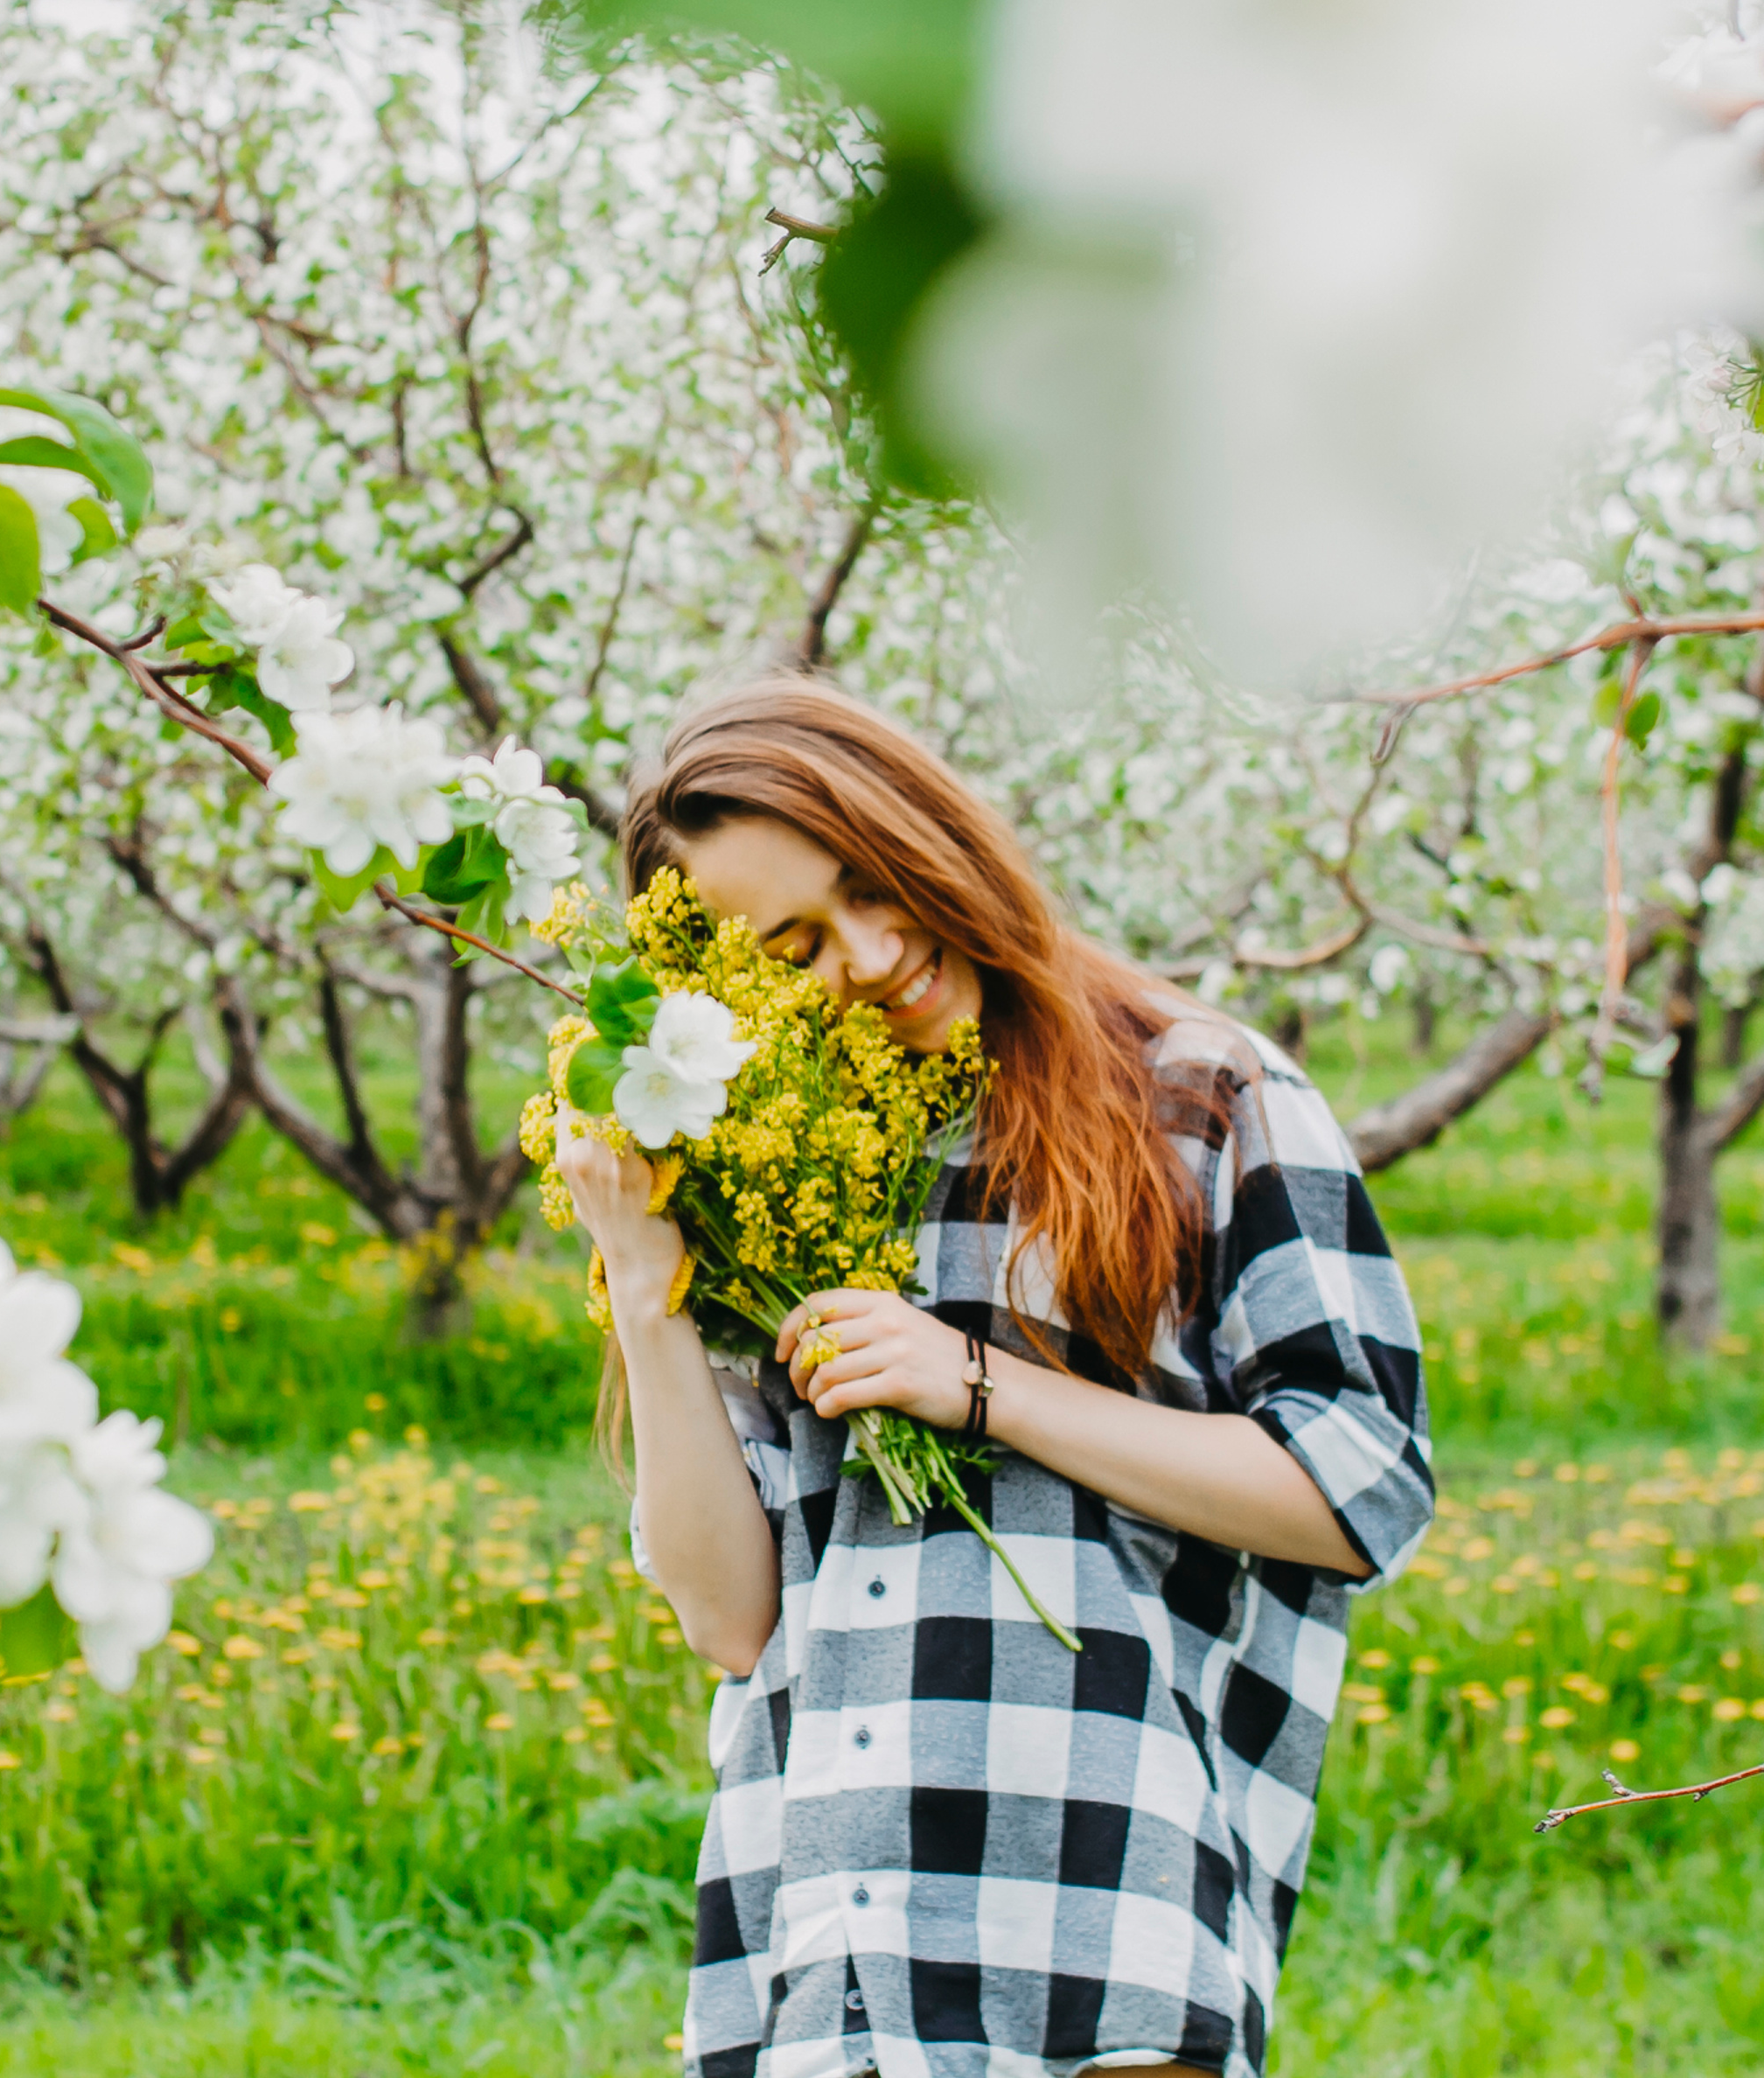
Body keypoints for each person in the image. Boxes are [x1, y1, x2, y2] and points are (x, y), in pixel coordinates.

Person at [554, 676, 1433, 2078]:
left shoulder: (1200, 1095)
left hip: (1102, 1918)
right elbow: (730, 1619)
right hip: (828, 1926)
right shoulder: (768, 1176)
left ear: (930, 830)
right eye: (792, 945)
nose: (873, 948)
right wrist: (647, 1284)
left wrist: (984, 1384)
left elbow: (1362, 1486)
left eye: (873, 882)